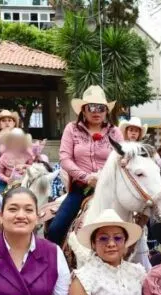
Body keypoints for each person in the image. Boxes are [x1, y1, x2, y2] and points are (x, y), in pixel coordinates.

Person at [50, 85, 123, 245]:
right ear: (83, 110)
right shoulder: (71, 129)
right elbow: (64, 157)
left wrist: (104, 177)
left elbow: (122, 160)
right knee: (56, 228)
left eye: (101, 107)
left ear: (106, 111)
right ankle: (56, 264)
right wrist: (86, 177)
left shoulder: (115, 132)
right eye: (91, 107)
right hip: (80, 189)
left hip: (111, 189)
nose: (96, 111)